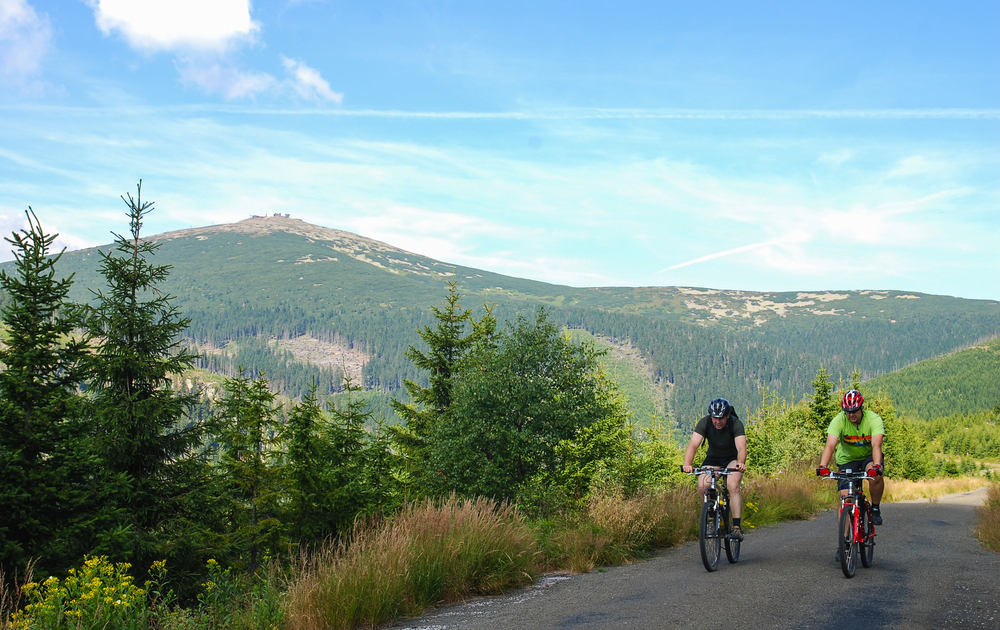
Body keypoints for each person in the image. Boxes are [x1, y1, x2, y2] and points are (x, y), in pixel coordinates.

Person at [682, 398, 747, 541]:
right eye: (714, 418)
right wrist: (688, 463)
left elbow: (742, 447)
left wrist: (741, 463)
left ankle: (736, 527)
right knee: (703, 485)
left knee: (733, 486)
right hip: (713, 459)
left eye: (721, 418)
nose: (718, 421)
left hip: (732, 459)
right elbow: (693, 444)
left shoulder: (735, 424)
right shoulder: (704, 423)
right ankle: (711, 519)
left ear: (727, 415)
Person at [817, 389, 885, 526]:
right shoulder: (839, 420)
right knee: (845, 498)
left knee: (876, 475)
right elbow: (830, 445)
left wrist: (877, 466)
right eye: (848, 411)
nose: (851, 414)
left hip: (868, 457)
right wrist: (823, 466)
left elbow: (876, 446)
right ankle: (845, 542)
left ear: (862, 409)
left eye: (855, 410)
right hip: (847, 460)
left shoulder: (873, 419)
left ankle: (875, 508)